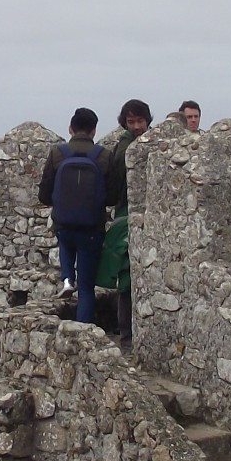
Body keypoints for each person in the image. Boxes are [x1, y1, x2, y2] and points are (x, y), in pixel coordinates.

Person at [37, 108, 109, 325]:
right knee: (87, 288)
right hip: (92, 228)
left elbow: (44, 194)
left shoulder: (58, 154)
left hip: (64, 224)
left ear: (70, 129)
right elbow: (113, 194)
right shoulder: (104, 156)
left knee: (65, 242)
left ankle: (68, 279)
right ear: (94, 131)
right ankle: (82, 331)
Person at [97, 100, 153, 343]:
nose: (137, 126)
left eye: (140, 121)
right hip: (126, 215)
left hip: (138, 214)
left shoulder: (143, 145)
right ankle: (127, 333)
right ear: (125, 123)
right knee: (127, 277)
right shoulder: (125, 149)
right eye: (132, 122)